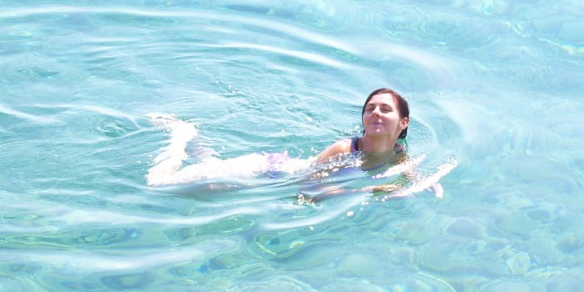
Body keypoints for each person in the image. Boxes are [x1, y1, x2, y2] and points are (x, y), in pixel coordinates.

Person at [146, 87, 443, 198]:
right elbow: (308, 189)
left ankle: (195, 140)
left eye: (385, 109)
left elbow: (406, 168)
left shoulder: (398, 151)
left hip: (267, 176)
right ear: (363, 118)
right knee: (158, 184)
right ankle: (179, 135)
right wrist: (367, 190)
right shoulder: (344, 149)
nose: (376, 112)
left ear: (403, 123)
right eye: (370, 108)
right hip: (263, 171)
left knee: (210, 170)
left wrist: (425, 182)